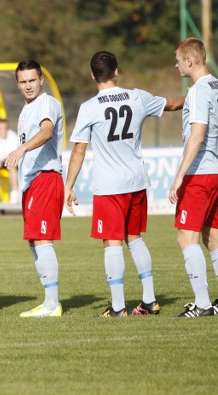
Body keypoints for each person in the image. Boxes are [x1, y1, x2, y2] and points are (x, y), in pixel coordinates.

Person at [64, 51, 183, 318]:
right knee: (135, 238)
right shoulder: (137, 96)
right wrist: (199, 97)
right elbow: (174, 104)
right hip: (137, 181)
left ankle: (118, 307)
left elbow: (79, 151)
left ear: (93, 75)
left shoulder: (89, 107)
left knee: (111, 242)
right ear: (116, 71)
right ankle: (150, 301)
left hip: (110, 186)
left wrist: (68, 185)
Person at [4, 59, 64, 317]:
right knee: (34, 240)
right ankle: (48, 300)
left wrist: (22, 147)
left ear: (41, 80)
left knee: (42, 239)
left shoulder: (46, 103)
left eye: (32, 80)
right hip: (32, 181)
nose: (28, 86)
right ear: (18, 83)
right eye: (23, 81)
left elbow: (47, 131)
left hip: (46, 177)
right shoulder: (26, 108)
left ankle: (53, 304)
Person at [169, 38, 218, 317]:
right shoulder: (216, 85)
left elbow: (197, 135)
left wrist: (179, 177)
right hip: (217, 172)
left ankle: (202, 304)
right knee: (213, 239)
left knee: (185, 239)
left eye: (178, 60)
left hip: (201, 172)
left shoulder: (199, 90)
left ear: (190, 61)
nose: (176, 64)